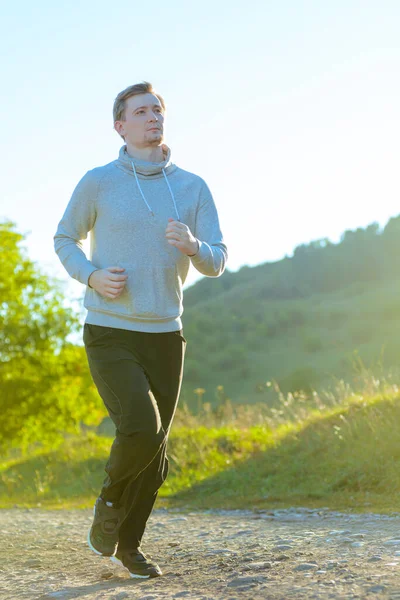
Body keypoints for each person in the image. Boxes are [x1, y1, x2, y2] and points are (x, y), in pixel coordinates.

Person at [53, 81, 228, 579]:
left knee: (155, 455)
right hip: (109, 330)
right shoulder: (98, 181)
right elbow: (64, 237)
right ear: (120, 125)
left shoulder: (193, 187)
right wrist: (90, 275)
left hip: (165, 334)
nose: (153, 117)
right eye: (141, 111)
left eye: (158, 110)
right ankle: (108, 500)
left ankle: (128, 547)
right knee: (140, 427)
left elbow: (218, 259)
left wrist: (194, 246)